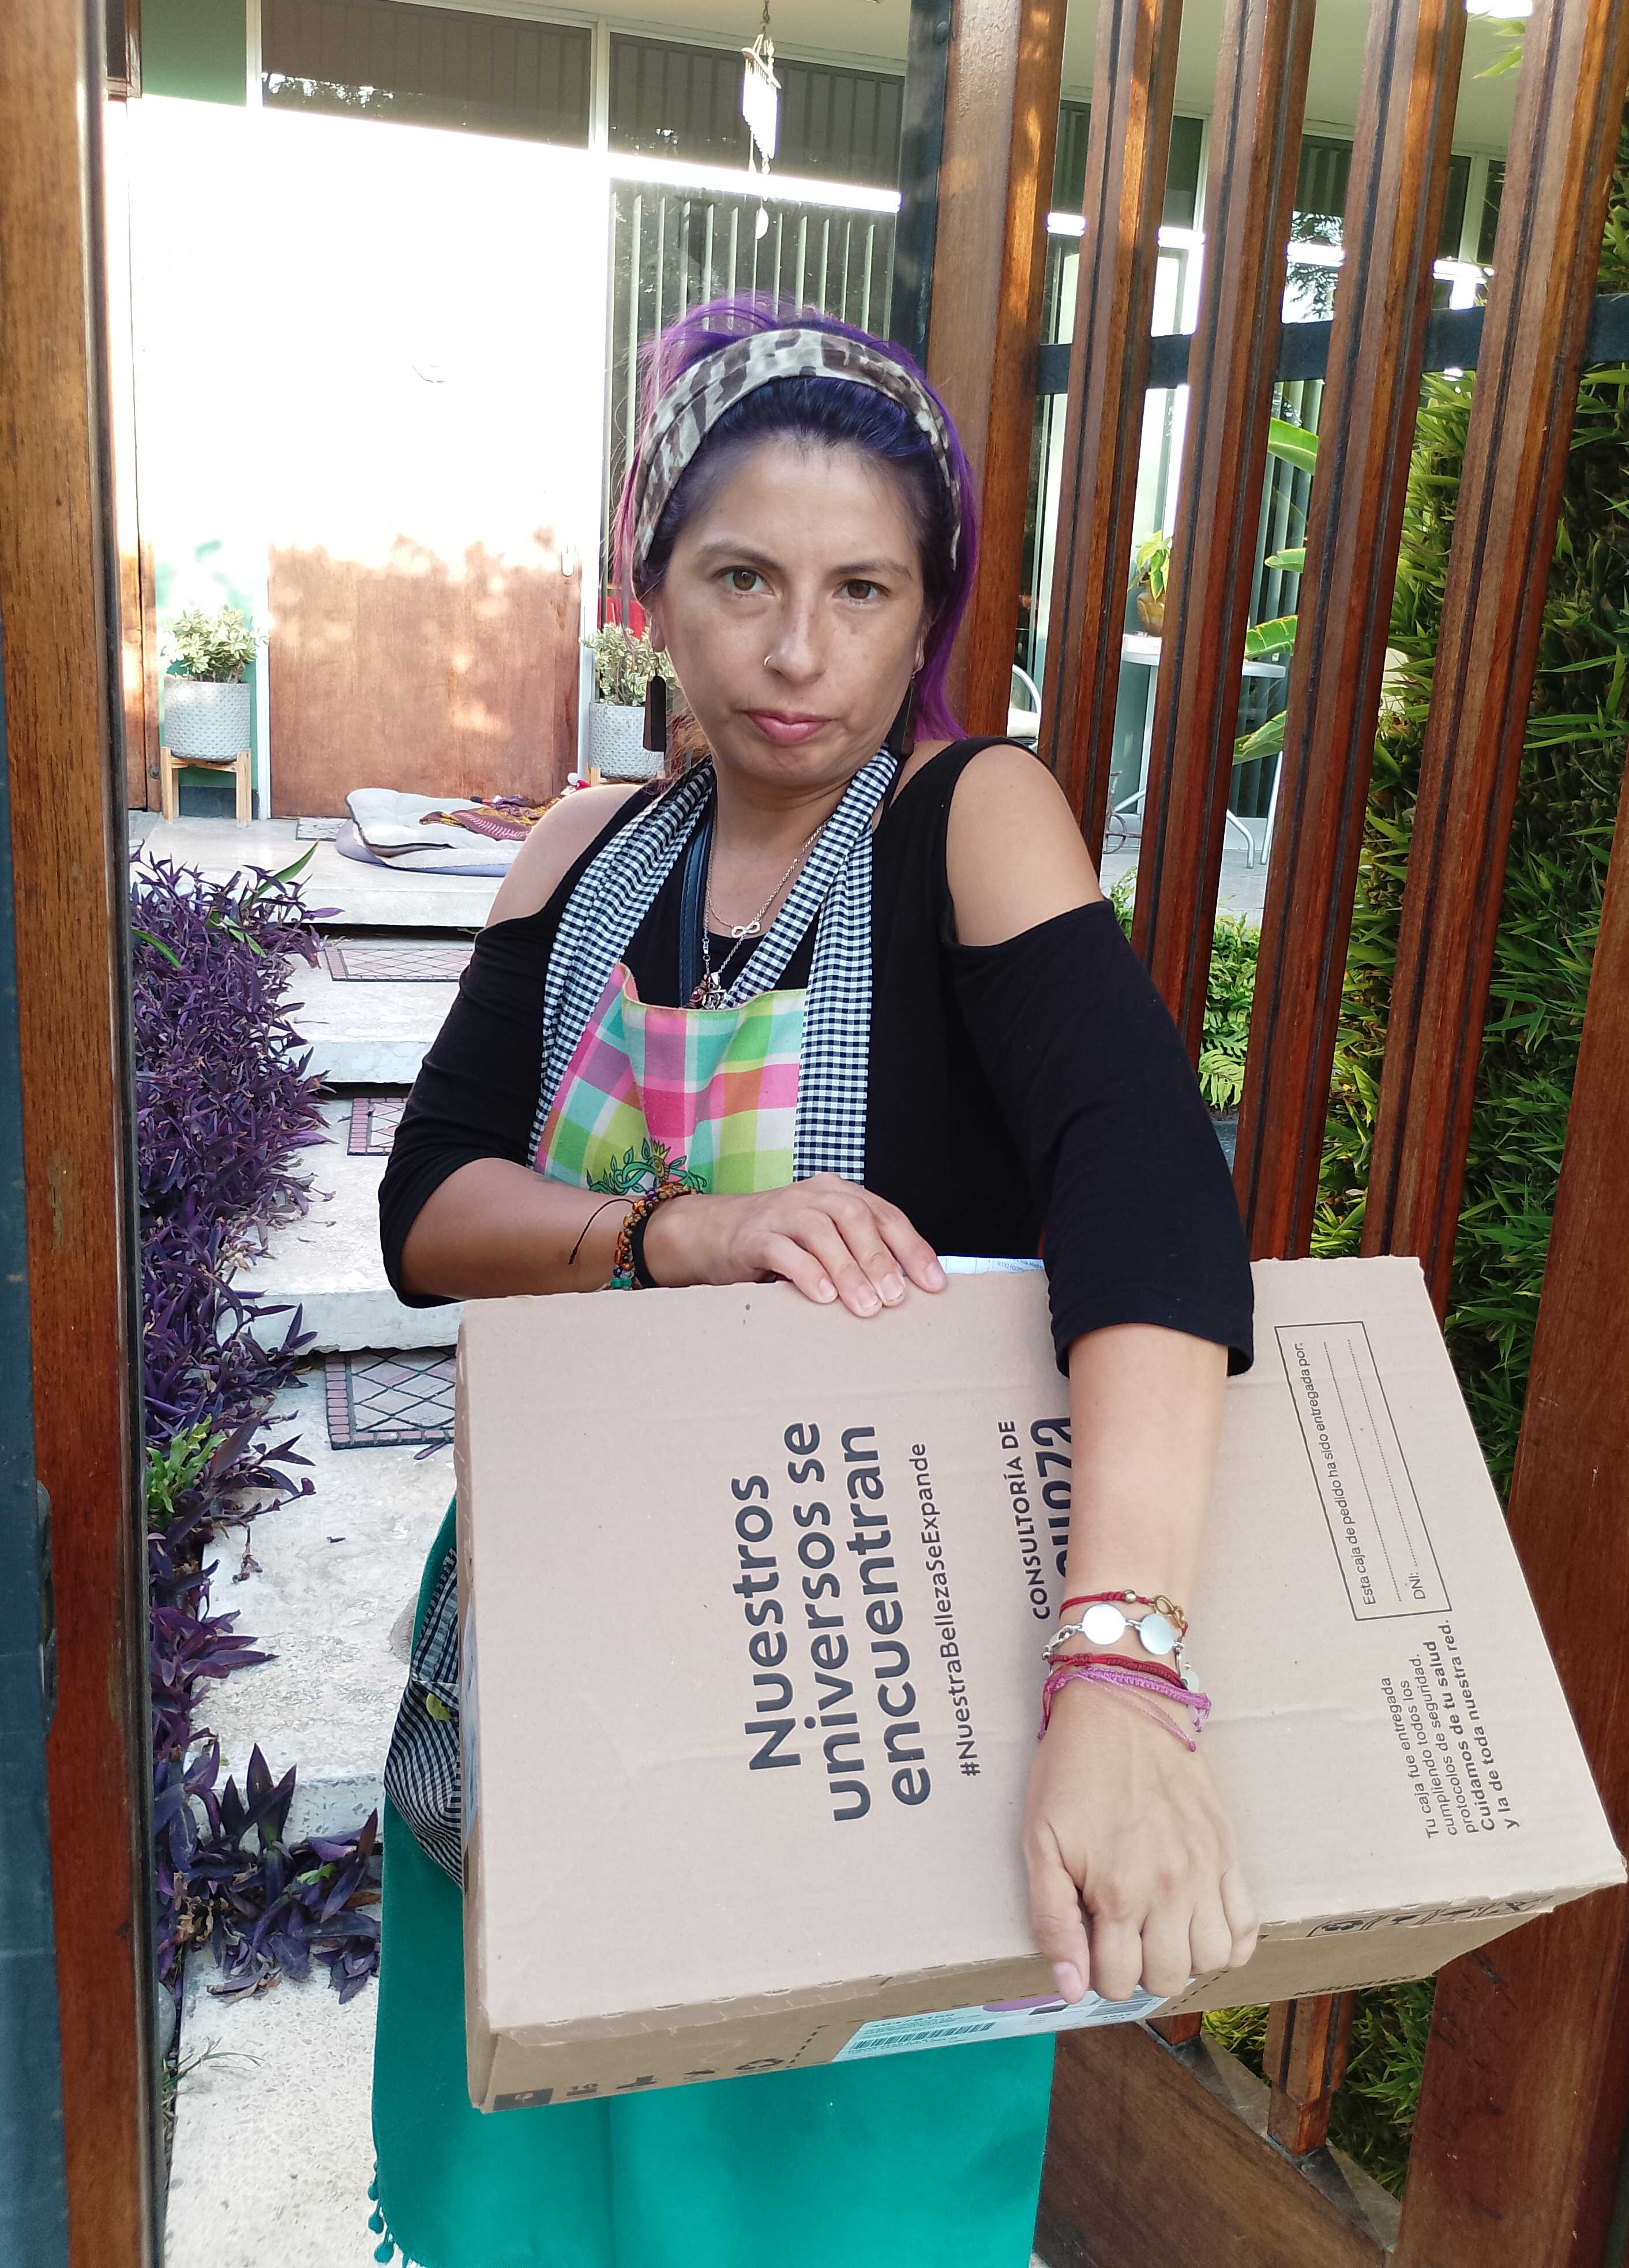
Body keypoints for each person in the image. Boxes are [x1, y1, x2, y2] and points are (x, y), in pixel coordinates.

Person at [369, 294, 1257, 2268]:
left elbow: (1150, 1198)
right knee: (534, 2170)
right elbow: (429, 1208)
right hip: (560, 1620)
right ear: (651, 591)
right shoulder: (582, 856)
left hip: (846, 1650)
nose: (798, 652)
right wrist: (667, 1231)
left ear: (925, 614)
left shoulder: (969, 822)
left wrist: (1122, 1663)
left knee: (816, 2185)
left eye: (864, 591)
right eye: (743, 578)